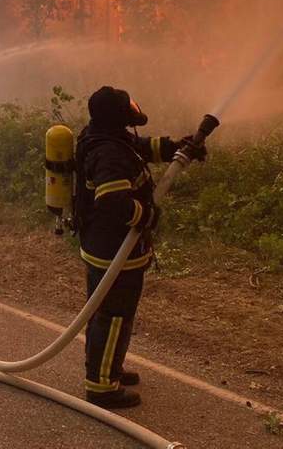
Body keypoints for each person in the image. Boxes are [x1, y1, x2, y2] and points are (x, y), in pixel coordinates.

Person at [75, 86, 206, 409]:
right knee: (113, 315)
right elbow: (114, 204)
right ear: (118, 115)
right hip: (114, 251)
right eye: (127, 107)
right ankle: (102, 387)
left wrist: (178, 147)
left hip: (107, 247)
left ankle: (109, 369)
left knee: (108, 313)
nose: (133, 110)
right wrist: (146, 213)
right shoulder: (109, 154)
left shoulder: (107, 136)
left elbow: (141, 147)